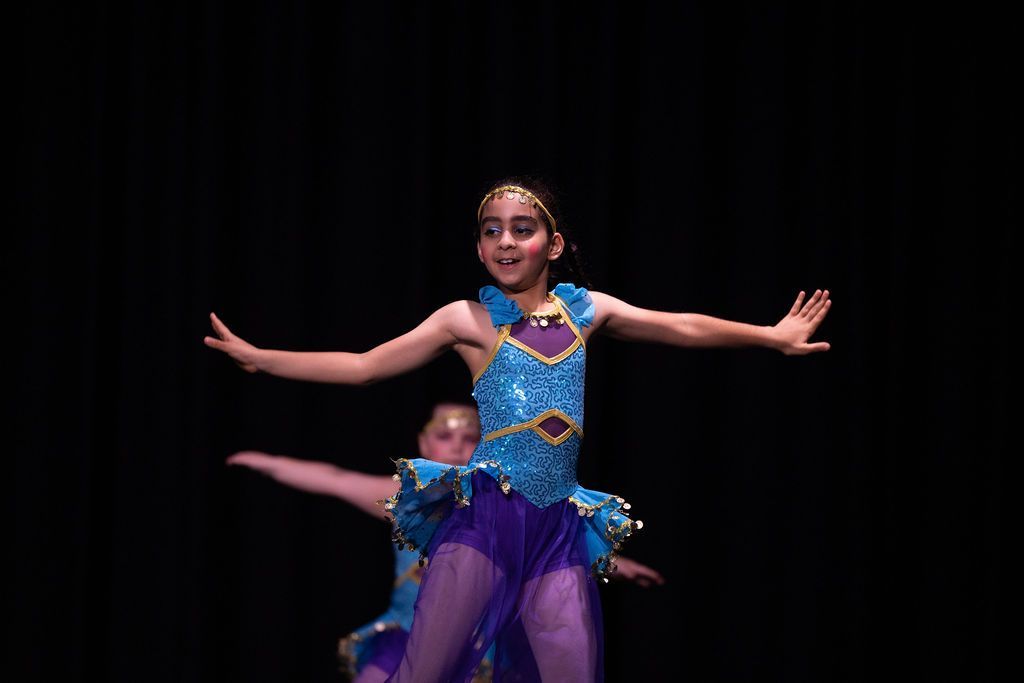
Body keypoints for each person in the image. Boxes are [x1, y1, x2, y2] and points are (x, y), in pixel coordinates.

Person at [205, 177, 831, 681]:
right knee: (426, 673)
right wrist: (263, 359)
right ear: (480, 249)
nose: (505, 241)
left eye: (522, 229)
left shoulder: (587, 311)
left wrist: (770, 336)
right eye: (492, 231)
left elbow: (681, 325)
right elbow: (365, 366)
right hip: (485, 521)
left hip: (557, 528)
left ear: (553, 246)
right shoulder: (468, 320)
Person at [226, 402, 664, 682]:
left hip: (487, 644)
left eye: (469, 438)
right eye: (444, 435)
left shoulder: (504, 503)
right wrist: (267, 461)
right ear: (423, 442)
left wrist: (616, 565)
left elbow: (554, 546)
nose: (456, 446)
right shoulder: (402, 496)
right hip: (408, 637)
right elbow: (334, 479)